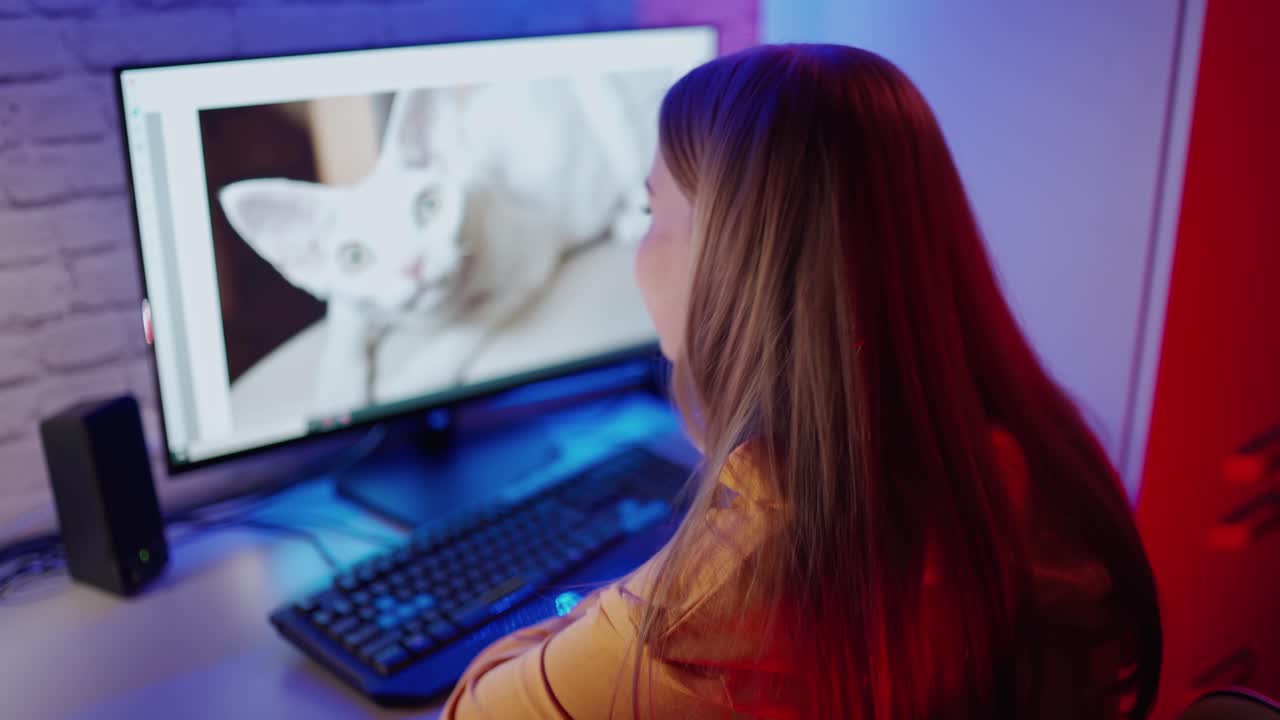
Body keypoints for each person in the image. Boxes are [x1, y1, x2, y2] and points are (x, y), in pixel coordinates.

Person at [441, 43, 1162, 719]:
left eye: (650, 212)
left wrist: (648, 582)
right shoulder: (1030, 458)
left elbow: (472, 709)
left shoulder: (742, 575)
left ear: (734, 260)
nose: (639, 250)